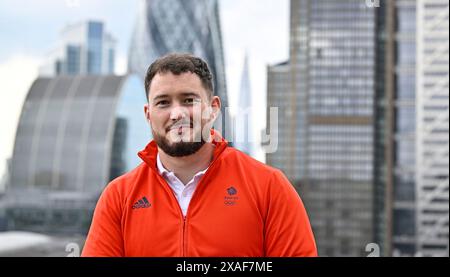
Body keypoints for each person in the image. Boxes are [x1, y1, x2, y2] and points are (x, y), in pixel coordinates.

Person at [81, 53, 317, 257]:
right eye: (163, 103)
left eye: (188, 100)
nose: (177, 113)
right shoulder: (118, 197)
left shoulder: (269, 187)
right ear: (148, 114)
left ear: (213, 109)